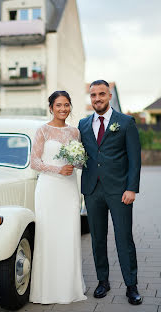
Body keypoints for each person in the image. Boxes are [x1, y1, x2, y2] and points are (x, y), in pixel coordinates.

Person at [78, 80, 142, 305]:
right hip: (92, 191)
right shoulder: (83, 124)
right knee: (97, 239)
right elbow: (82, 155)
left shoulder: (125, 122)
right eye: (93, 95)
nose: (97, 98)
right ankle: (102, 281)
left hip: (120, 191)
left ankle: (131, 285)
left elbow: (135, 159)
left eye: (101, 94)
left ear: (109, 95)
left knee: (124, 239)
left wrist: (132, 187)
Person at [29, 91, 87, 304]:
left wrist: (77, 161)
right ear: (51, 107)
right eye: (59, 105)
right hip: (49, 188)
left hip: (69, 188)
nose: (63, 109)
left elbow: (79, 163)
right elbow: (34, 162)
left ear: (70, 106)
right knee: (48, 235)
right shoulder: (42, 130)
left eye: (66, 105)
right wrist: (57, 169)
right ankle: (47, 288)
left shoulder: (75, 132)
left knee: (69, 234)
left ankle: (68, 287)